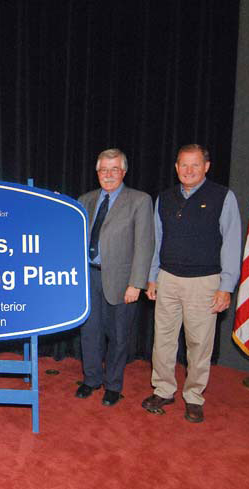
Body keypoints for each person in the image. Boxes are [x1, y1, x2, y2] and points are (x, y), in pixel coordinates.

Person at [143, 144, 242, 423]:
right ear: (176, 167)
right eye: (183, 165)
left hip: (205, 282)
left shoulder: (223, 197)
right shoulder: (164, 198)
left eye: (195, 165)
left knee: (199, 344)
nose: (188, 170)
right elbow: (156, 241)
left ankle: (194, 396)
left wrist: (226, 286)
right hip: (168, 279)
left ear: (206, 167)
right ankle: (163, 389)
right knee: (162, 340)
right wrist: (152, 276)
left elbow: (232, 244)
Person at [76, 148, 155, 406]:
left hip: (122, 281)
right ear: (97, 172)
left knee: (119, 336)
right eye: (103, 170)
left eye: (114, 169)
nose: (108, 175)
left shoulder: (139, 200)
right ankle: (91, 379)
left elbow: (144, 244)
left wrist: (136, 283)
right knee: (89, 333)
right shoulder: (85, 199)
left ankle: (113, 385)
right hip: (88, 277)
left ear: (123, 172)